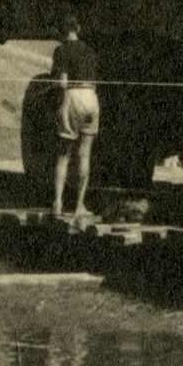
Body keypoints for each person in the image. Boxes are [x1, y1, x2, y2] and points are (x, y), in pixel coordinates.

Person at [49, 14, 100, 220]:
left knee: (64, 155)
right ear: (77, 28)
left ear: (62, 32)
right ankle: (79, 205)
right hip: (91, 98)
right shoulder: (90, 50)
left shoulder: (61, 50)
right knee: (84, 154)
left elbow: (62, 83)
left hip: (73, 96)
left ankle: (58, 202)